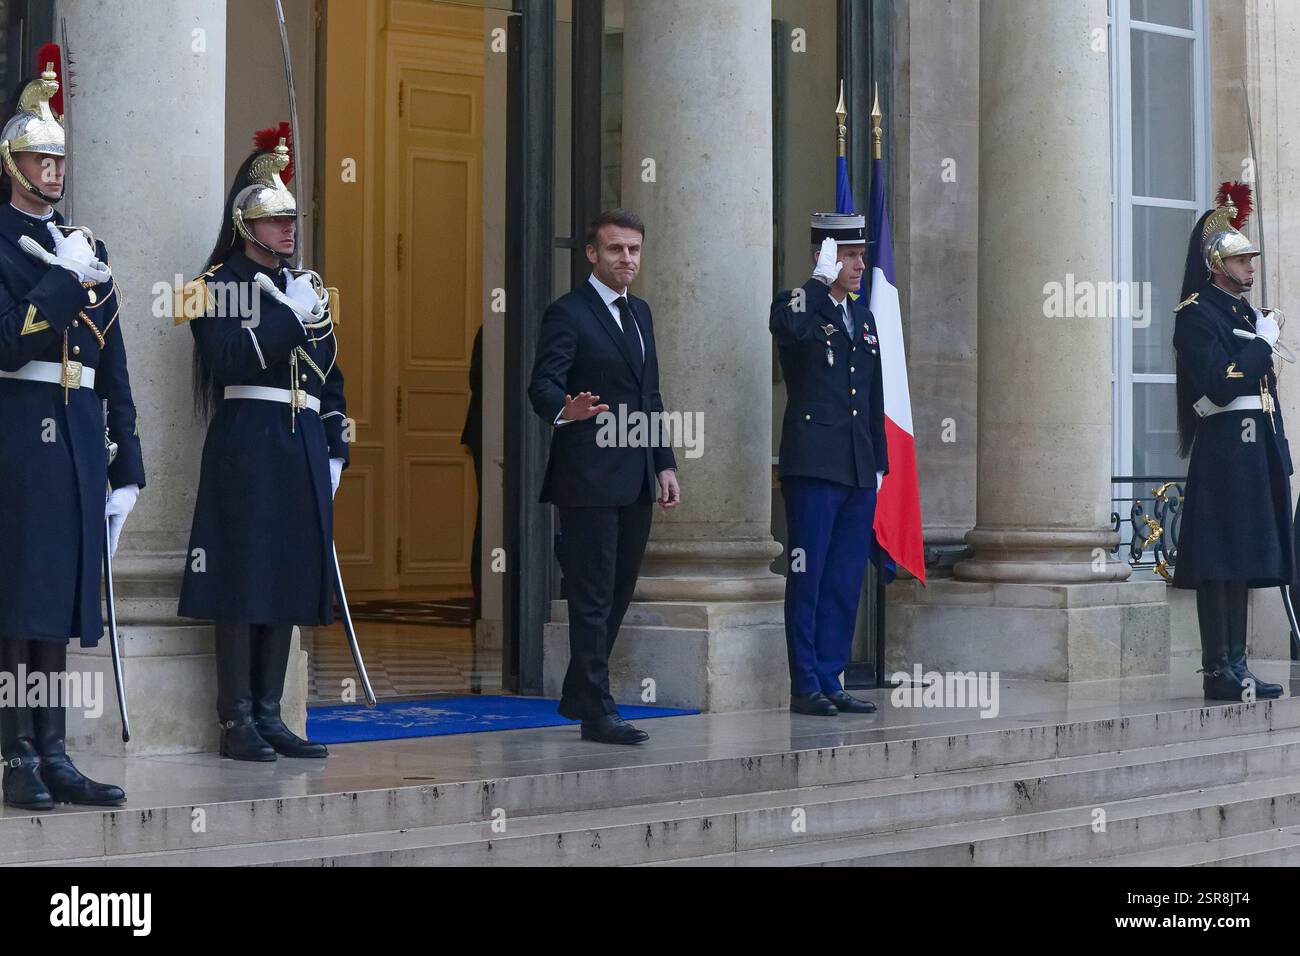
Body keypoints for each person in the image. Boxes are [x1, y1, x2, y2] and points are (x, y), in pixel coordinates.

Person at [0, 56, 143, 808]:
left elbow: (114, 362)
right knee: (18, 598)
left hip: (81, 436)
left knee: (56, 601)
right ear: (10, 164)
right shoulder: (11, 248)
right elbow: (7, 341)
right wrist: (59, 281)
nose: (51, 171)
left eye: (57, 160)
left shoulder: (91, 251)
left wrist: (132, 464)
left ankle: (54, 747)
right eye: (37, 159)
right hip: (20, 435)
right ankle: (15, 752)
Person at [177, 126, 345, 759]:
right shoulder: (215, 286)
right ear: (246, 225)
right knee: (244, 576)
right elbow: (231, 362)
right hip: (248, 438)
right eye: (275, 221)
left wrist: (335, 443)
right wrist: (288, 318)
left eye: (291, 220)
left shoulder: (305, 285)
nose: (288, 230)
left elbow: (332, 371)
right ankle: (236, 719)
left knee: (288, 574)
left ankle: (271, 711)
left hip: (300, 439)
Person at [528, 209, 680, 745]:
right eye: (616, 249)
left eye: (634, 250)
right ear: (592, 254)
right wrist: (566, 411)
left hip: (636, 474)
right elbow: (542, 384)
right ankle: (598, 707)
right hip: (588, 476)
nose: (627, 259)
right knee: (591, 596)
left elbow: (651, 396)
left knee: (617, 592)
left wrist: (664, 462)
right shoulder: (567, 313)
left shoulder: (641, 313)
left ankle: (579, 691)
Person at [1172, 182, 1288, 702]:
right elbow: (1220, 383)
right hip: (1223, 451)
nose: (1251, 267)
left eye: (1251, 259)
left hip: (1252, 449)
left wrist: (1277, 450)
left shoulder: (1242, 314)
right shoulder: (1197, 314)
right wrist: (1262, 347)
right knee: (1220, 559)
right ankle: (1218, 667)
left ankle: (1238, 664)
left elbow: (1262, 390)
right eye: (1242, 260)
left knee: (1240, 557)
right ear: (1218, 264)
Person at [770, 213, 887, 717]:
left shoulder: (862, 317)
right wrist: (818, 281)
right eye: (850, 255)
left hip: (858, 466)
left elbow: (873, 395)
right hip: (814, 466)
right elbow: (786, 329)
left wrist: (879, 463)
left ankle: (832, 675)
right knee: (810, 575)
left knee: (843, 578)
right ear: (825, 255)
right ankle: (805, 684)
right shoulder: (799, 304)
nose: (860, 264)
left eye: (862, 254)